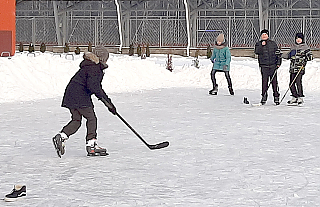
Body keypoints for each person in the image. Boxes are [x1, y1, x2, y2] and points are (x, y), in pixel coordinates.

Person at [53, 45, 117, 157]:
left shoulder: (88, 66)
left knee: (76, 120)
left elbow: (93, 86)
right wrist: (108, 104)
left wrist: (108, 103)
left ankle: (61, 136)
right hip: (80, 96)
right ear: (102, 58)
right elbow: (94, 87)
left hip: (71, 95)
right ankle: (91, 145)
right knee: (91, 118)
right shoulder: (94, 68)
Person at [254, 29, 282, 105]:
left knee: (274, 82)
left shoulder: (273, 44)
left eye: (265, 34)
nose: (264, 36)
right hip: (264, 66)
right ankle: (264, 96)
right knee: (264, 82)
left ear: (268, 35)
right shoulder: (258, 44)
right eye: (263, 35)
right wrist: (262, 46)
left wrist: (279, 63)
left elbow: (278, 54)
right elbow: (256, 52)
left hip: (273, 65)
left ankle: (276, 97)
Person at [285, 33, 313, 105]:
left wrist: (306, 58)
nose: (298, 40)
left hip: (300, 68)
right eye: (297, 38)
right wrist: (280, 54)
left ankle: (300, 97)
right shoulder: (293, 47)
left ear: (302, 39)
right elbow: (288, 55)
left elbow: (310, 56)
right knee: (291, 83)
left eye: (300, 39)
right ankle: (294, 96)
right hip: (292, 68)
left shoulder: (305, 47)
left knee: (298, 82)